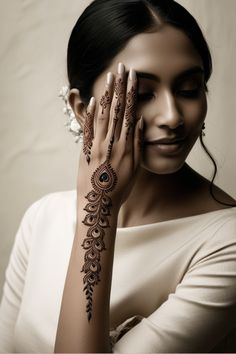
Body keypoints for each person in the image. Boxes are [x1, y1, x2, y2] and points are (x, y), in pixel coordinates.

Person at [0, 0, 236, 352]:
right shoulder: (42, 219)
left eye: (189, 90)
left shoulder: (227, 242)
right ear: (82, 110)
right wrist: (100, 205)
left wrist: (102, 208)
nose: (172, 116)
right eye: (141, 94)